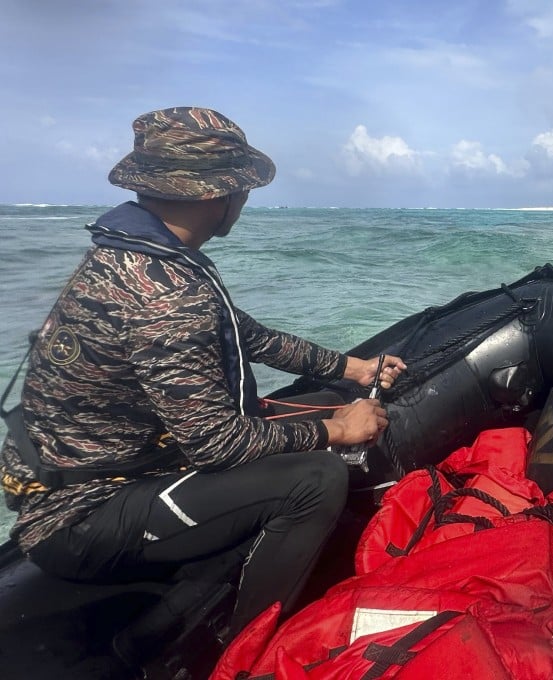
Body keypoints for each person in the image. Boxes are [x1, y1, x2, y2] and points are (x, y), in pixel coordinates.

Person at [0, 107, 406, 635]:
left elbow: (250, 336)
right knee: (317, 477)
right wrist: (338, 428)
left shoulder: (138, 256)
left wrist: (354, 367)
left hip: (84, 478)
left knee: (296, 435)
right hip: (83, 517)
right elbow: (218, 445)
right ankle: (244, 643)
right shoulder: (168, 294)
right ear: (220, 195)